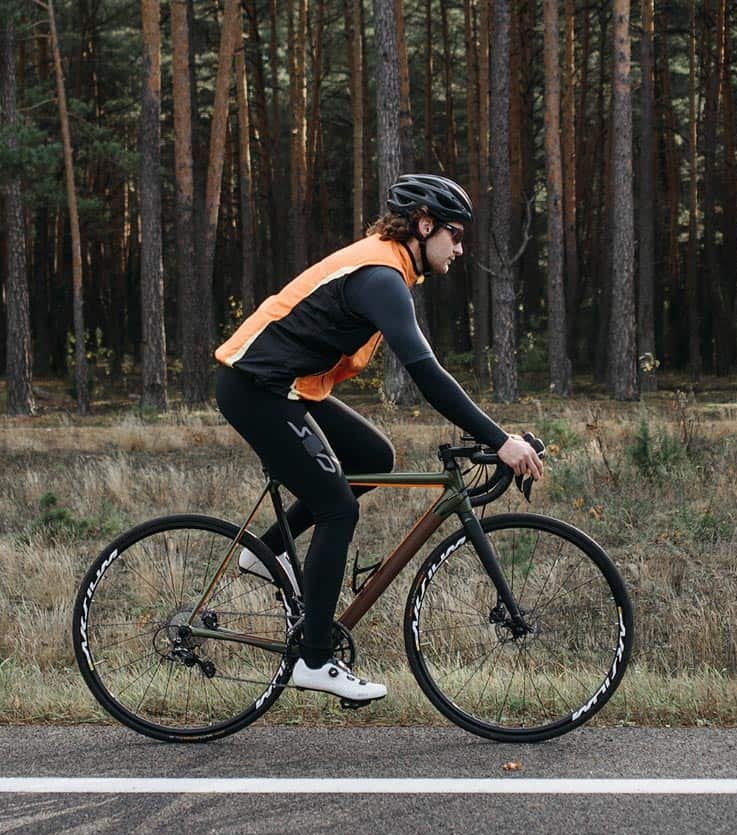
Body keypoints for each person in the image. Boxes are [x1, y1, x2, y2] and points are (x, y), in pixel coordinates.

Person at [213, 173, 544, 703]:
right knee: (337, 510)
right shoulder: (381, 275)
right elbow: (428, 375)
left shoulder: (389, 268)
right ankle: (314, 660)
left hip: (286, 386)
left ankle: (265, 554)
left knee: (373, 455)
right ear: (424, 224)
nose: (459, 248)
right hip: (257, 388)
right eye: (454, 235)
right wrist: (500, 439)